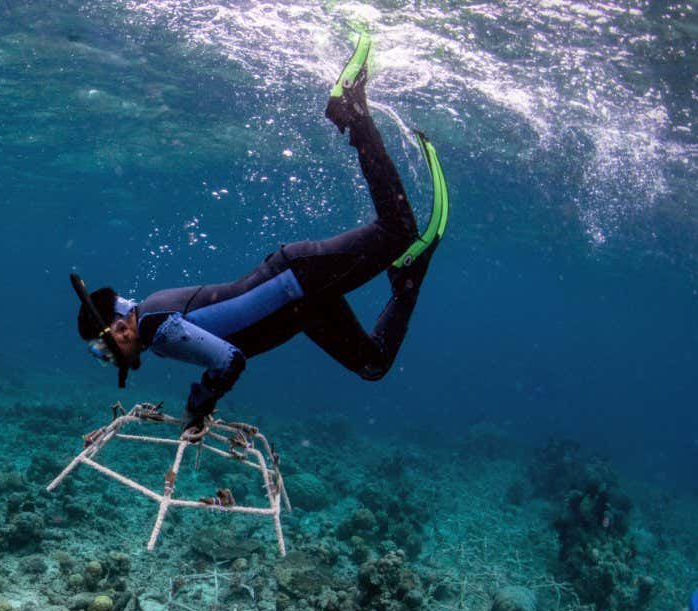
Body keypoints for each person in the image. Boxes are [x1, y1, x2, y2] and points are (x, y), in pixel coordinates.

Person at [72, 30, 448, 439]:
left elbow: (229, 359)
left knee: (397, 230)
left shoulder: (155, 329)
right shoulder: (146, 319)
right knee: (371, 364)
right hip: (302, 304)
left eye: (104, 352)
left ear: (120, 330)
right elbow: (190, 334)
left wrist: (199, 406)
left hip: (298, 281)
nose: (110, 359)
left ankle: (352, 110)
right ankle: (407, 276)